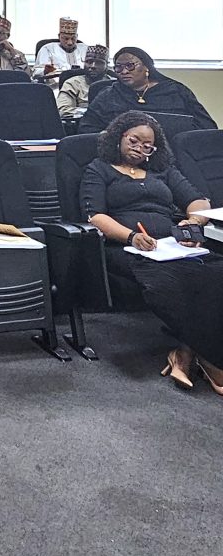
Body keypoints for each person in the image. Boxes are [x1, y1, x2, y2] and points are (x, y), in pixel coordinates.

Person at [82, 111, 223, 396]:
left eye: (148, 146)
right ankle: (212, 360)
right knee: (167, 285)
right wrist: (131, 236)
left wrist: (193, 222)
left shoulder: (163, 171)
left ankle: (185, 352)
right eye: (134, 141)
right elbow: (95, 215)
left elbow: (198, 201)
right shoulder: (99, 170)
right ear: (119, 137)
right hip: (127, 247)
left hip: (173, 245)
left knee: (216, 272)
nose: (140, 149)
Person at [79, 47, 216, 134]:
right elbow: (86, 128)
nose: (124, 71)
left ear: (147, 67)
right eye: (118, 67)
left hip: (173, 154)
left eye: (130, 66)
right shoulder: (109, 95)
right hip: (122, 156)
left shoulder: (175, 91)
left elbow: (207, 127)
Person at [57, 44, 112, 118]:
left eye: (99, 63)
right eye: (89, 62)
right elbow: (62, 110)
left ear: (107, 66)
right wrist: (93, 113)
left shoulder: (113, 84)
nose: (93, 66)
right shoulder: (72, 83)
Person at [34, 17, 87, 82]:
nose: (70, 43)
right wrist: (45, 70)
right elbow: (36, 72)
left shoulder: (85, 48)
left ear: (77, 36)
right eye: (66, 39)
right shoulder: (47, 49)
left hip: (82, 84)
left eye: (73, 38)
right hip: (56, 85)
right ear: (59, 36)